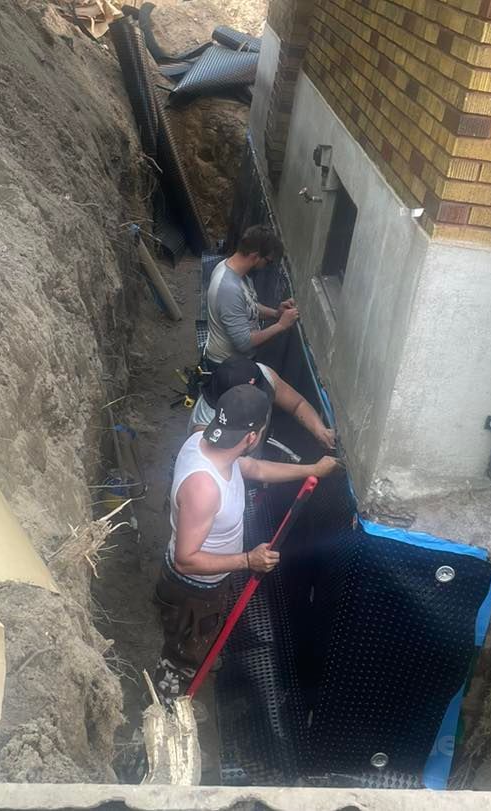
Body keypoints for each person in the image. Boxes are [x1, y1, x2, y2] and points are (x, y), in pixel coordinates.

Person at [154, 385, 341, 700]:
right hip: (194, 588)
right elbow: (185, 559)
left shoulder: (201, 443)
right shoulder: (205, 488)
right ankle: (169, 699)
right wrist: (247, 560)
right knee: (183, 652)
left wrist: (312, 470)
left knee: (197, 637)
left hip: (207, 583)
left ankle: (190, 654)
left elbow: (252, 467)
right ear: (253, 437)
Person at [188, 354, 336, 451]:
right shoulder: (207, 428)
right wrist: (314, 470)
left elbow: (297, 404)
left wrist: (320, 430)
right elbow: (250, 469)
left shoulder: (262, 375)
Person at [205, 225, 299, 367]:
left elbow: (247, 305)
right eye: (268, 261)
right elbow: (244, 343)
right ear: (255, 256)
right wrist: (281, 325)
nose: (268, 265)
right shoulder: (228, 289)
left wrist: (276, 314)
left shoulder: (235, 272)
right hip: (226, 366)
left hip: (237, 362)